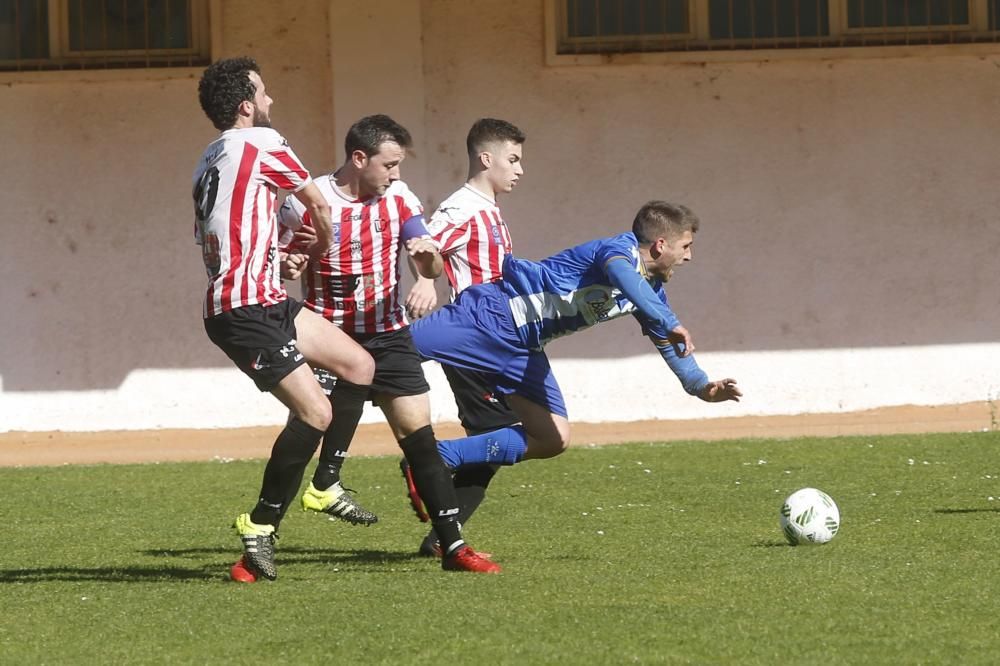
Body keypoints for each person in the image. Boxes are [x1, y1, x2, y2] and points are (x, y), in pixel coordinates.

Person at [405, 201, 742, 520]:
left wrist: (700, 386)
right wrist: (668, 320)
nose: (689, 257)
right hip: (491, 315)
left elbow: (669, 345)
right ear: (660, 245)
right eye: (685, 247)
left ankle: (436, 456)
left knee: (553, 438)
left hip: (524, 348)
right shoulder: (617, 251)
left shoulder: (650, 292)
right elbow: (623, 277)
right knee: (384, 359)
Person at [277, 114, 499, 573]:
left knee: (421, 439)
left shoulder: (399, 198)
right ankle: (264, 535)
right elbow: (280, 263)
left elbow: (429, 258)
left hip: (387, 334)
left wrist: (428, 266)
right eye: (389, 165)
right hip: (329, 338)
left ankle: (454, 547)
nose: (396, 175)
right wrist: (290, 265)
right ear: (359, 159)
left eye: (399, 165)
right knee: (303, 434)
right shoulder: (308, 201)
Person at [192, 57, 375, 583]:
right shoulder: (263, 142)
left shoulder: (210, 157)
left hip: (263, 296)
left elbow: (236, 229)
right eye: (265, 94)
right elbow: (319, 205)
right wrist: (316, 244)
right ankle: (261, 525)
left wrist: (281, 255)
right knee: (317, 413)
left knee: (358, 365)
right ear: (247, 105)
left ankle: (326, 486)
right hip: (244, 308)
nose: (271, 102)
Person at [402, 118, 526, 557]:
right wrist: (427, 281)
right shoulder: (463, 207)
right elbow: (426, 245)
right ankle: (428, 460)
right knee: (513, 433)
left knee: (491, 446)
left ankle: (440, 539)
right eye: (512, 159)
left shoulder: (488, 208)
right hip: (474, 339)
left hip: (490, 337)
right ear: (485, 158)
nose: (519, 170)